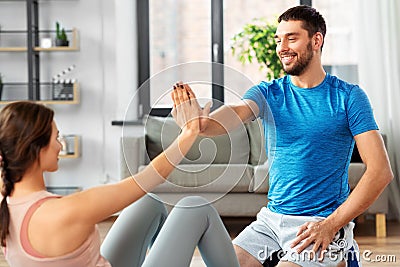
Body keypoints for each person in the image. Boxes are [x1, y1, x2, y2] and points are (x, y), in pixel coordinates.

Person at [173, 5, 393, 267]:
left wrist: (330, 225)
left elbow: (380, 171)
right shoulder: (269, 93)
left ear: (316, 40)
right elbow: (236, 112)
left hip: (321, 221)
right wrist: (201, 124)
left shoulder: (348, 97)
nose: (282, 47)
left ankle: (342, 256)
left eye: (291, 38)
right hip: (271, 221)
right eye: (279, 39)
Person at [0, 88, 239, 266]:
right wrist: (190, 132)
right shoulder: (68, 211)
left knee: (148, 202)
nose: (60, 146)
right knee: (194, 207)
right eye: (56, 137)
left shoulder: (7, 210)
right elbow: (148, 177)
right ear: (36, 148)